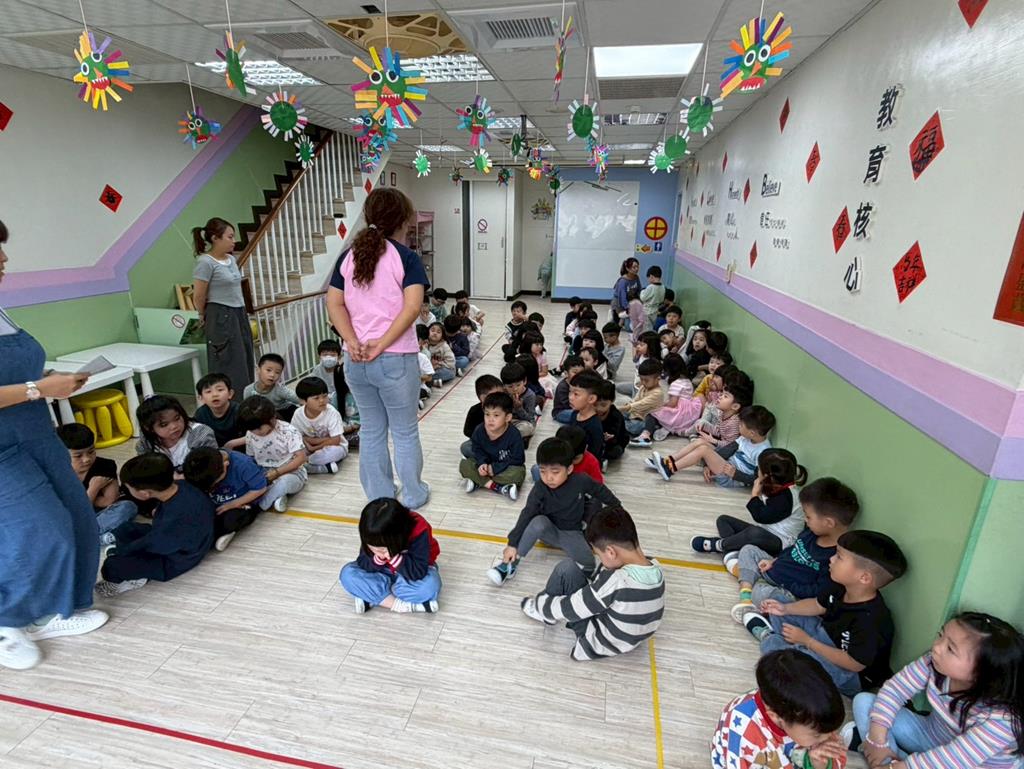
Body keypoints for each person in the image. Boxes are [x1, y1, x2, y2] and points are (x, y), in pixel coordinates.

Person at [0, 219, 108, 670]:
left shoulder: (2, 310)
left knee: (79, 518)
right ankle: (8, 620)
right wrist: (39, 389)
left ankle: (57, 608)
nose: (4, 258)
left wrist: (48, 380)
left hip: (35, 433)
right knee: (38, 527)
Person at [326, 188, 431, 510]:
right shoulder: (406, 257)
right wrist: (382, 344)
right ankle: (413, 495)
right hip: (395, 359)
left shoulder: (348, 256)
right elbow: (412, 308)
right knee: (404, 431)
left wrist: (352, 341)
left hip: (354, 359)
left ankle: (379, 495)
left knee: (372, 429)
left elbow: (334, 304)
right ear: (404, 219)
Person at [743, 530, 907, 697]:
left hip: (848, 673)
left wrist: (808, 641)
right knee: (778, 601)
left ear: (864, 578)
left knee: (788, 657)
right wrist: (785, 609)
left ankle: (771, 638)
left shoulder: (871, 620)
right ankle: (789, 647)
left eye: (839, 557)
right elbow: (818, 605)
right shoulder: (841, 585)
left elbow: (854, 664)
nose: (831, 559)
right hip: (823, 635)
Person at [850, 611, 1024, 769]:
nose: (937, 647)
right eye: (941, 635)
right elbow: (895, 690)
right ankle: (888, 758)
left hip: (968, 764)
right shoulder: (933, 663)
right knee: (865, 702)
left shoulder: (1002, 721)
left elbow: (954, 760)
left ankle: (896, 760)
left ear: (983, 673)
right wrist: (877, 740)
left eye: (950, 649)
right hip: (930, 736)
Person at [520, 505, 665, 661]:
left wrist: (542, 605)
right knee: (595, 578)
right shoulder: (655, 567)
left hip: (599, 642)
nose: (600, 559)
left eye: (599, 554)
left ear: (610, 552)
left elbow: (571, 608)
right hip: (633, 639)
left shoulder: (617, 582)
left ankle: (544, 615)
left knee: (566, 569)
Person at [487, 437, 620, 586]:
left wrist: (618, 508)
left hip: (571, 532)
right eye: (543, 471)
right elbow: (527, 513)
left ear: (569, 469)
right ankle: (510, 565)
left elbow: (600, 491)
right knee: (538, 522)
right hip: (548, 531)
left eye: (555, 472)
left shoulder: (581, 481)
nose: (548, 478)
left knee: (590, 564)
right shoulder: (540, 488)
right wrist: (512, 544)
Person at [729, 477, 860, 622]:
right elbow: (793, 550)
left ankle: (750, 583)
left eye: (808, 517)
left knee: (761, 592)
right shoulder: (811, 533)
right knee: (749, 550)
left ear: (828, 522)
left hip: (788, 590)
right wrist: (774, 561)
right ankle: (747, 590)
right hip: (774, 570)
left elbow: (816, 591)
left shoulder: (835, 558)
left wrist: (788, 585)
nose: (805, 520)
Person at [96, 453, 214, 597]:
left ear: (145, 493)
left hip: (176, 560)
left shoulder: (173, 521)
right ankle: (126, 557)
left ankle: (133, 579)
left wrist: (127, 551)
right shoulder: (182, 486)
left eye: (129, 488)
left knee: (112, 565)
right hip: (184, 538)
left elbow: (155, 545)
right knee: (125, 529)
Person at [713, 649, 848, 769]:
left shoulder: (810, 719)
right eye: (817, 735)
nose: (828, 738)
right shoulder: (744, 732)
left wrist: (818, 764)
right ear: (775, 716)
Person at [691, 448, 809, 556]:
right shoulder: (777, 484)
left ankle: (719, 545)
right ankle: (732, 549)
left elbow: (760, 517)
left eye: (759, 469)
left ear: (766, 476)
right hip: (767, 531)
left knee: (754, 533)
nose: (756, 471)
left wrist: (754, 495)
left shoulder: (786, 497)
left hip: (781, 543)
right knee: (723, 520)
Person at [339, 498, 441, 614]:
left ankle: (374, 598)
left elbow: (418, 571)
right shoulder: (371, 532)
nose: (377, 551)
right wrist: (376, 559)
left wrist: (395, 558)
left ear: (397, 538)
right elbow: (363, 562)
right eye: (372, 548)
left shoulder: (418, 528)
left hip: (410, 573)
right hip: (383, 572)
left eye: (382, 549)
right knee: (347, 574)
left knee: (430, 585)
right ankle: (403, 605)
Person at [192, 217, 254, 402]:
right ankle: (228, 402)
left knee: (244, 358)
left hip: (239, 313)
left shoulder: (231, 259)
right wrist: (201, 314)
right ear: (215, 238)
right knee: (228, 361)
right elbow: (199, 295)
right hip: (220, 314)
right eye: (230, 236)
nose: (234, 241)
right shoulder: (205, 262)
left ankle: (246, 400)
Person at [648, 403, 774, 484]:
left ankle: (669, 470)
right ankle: (667, 461)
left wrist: (735, 474)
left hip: (732, 477)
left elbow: (758, 479)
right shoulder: (745, 438)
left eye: (741, 425)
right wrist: (708, 464)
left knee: (704, 450)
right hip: (726, 465)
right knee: (700, 442)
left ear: (752, 433)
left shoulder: (764, 452)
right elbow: (726, 451)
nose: (738, 427)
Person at [57, 423, 138, 537]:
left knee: (128, 507)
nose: (87, 459)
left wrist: (78, 500)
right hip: (71, 516)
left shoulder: (105, 465)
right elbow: (68, 508)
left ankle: (85, 536)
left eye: (91, 452)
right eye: (78, 456)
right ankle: (90, 536)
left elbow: (108, 500)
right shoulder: (58, 471)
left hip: (98, 513)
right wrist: (93, 489)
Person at [183, 447, 266, 551]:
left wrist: (233, 504)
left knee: (231, 519)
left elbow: (260, 489)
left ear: (226, 464)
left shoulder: (244, 465)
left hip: (242, 503)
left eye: (216, 482)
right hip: (215, 502)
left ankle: (210, 538)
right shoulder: (203, 465)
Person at [236, 395, 308, 512]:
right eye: (252, 430)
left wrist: (277, 472)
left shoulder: (288, 431)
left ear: (272, 418)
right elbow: (251, 458)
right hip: (264, 474)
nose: (256, 432)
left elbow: (301, 458)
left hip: (292, 473)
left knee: (283, 483)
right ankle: (276, 497)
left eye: (259, 429)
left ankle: (257, 507)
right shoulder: (251, 434)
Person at [459, 391, 526, 500]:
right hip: (487, 466)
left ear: (508, 417)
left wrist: (495, 468)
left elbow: (518, 459)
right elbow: (477, 448)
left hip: (504, 467)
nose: (490, 419)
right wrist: (482, 463)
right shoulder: (479, 430)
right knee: (464, 465)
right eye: (487, 414)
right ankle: (498, 487)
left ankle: (479, 481)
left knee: (518, 473)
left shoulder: (514, 434)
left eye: (496, 415)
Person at [135, 394, 217, 473]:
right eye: (164, 424)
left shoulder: (200, 434)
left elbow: (209, 466)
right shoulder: (146, 443)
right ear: (149, 428)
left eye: (177, 418)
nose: (174, 426)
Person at [291, 377, 349, 474]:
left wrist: (313, 447)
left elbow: (336, 440)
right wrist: (309, 443)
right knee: (292, 451)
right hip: (309, 447)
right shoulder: (298, 414)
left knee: (335, 452)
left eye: (325, 396)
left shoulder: (332, 413)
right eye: (316, 398)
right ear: (303, 401)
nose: (322, 400)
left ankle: (305, 463)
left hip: (334, 446)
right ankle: (322, 467)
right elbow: (295, 437)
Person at [243, 353, 301, 421]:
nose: (272, 375)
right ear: (258, 369)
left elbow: (299, 398)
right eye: (268, 370)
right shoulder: (248, 390)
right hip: (265, 416)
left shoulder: (280, 389)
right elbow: (247, 410)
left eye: (277, 372)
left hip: (284, 412)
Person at [460, 374, 505, 459]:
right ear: (483, 398)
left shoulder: (504, 408)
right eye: (495, 396)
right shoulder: (474, 410)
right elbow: (467, 431)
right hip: (482, 442)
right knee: (465, 447)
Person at [192, 373, 243, 446]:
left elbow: (253, 435)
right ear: (201, 398)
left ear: (230, 394)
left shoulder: (239, 411)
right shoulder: (201, 413)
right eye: (208, 391)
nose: (215, 394)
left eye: (220, 390)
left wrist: (232, 444)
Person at [567, 369, 606, 462]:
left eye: (576, 394)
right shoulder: (574, 414)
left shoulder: (594, 426)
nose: (570, 397)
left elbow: (594, 456)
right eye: (570, 392)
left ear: (591, 399)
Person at [621, 358, 664, 436]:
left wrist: (625, 408)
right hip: (635, 415)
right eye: (641, 379)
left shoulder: (657, 393)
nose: (643, 382)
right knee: (619, 415)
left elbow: (640, 404)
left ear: (658, 378)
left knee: (635, 427)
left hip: (644, 421)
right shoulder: (643, 387)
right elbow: (635, 400)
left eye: (646, 380)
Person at [501, 362, 537, 443]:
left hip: (522, 422)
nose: (515, 389)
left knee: (527, 428)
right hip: (507, 421)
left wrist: (519, 408)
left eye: (518, 385)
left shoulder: (530, 395)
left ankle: (505, 439)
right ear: (504, 386)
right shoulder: (504, 393)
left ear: (525, 381)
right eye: (510, 386)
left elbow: (530, 418)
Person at [595, 379, 629, 462]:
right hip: (596, 441)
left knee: (615, 451)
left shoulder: (615, 416)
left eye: (603, 405)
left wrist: (609, 437)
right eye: (595, 404)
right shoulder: (590, 412)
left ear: (612, 401)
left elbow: (616, 435)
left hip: (614, 443)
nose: (599, 408)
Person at [552, 356, 584, 424]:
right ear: (566, 373)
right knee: (579, 415)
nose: (579, 375)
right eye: (575, 372)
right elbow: (567, 405)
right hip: (561, 411)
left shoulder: (582, 383)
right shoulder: (563, 386)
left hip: (577, 408)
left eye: (581, 373)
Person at [611, 258, 641, 329]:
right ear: (627, 269)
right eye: (634, 267)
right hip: (619, 304)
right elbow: (622, 298)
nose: (636, 269)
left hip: (630, 302)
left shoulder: (636, 277)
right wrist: (629, 308)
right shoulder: (623, 281)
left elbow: (639, 291)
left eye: (637, 266)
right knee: (617, 326)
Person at [640, 265, 665, 331]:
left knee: (646, 328)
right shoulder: (662, 287)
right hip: (655, 310)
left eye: (648, 278)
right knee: (651, 327)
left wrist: (642, 291)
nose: (648, 280)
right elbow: (662, 299)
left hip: (647, 311)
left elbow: (643, 298)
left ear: (651, 276)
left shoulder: (650, 287)